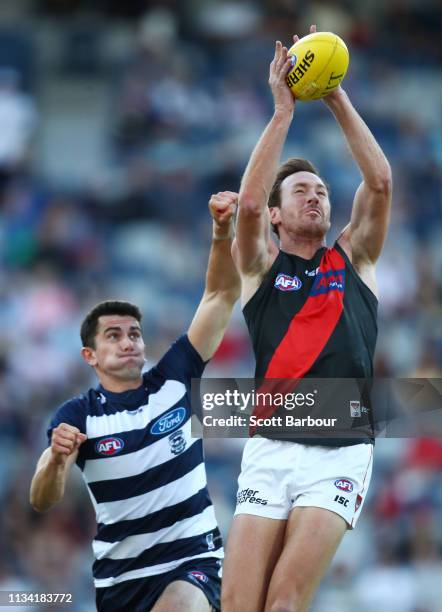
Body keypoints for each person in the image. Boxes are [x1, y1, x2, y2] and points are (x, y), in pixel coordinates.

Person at [222, 25, 392, 612]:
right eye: (300, 190)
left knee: (286, 598)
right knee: (240, 602)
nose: (316, 196)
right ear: (276, 213)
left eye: (321, 190)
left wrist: (335, 93)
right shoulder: (259, 271)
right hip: (269, 448)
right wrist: (282, 111)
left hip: (341, 450)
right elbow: (244, 205)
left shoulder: (355, 258)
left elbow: (379, 182)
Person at [30, 191, 241, 612]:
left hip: (193, 559)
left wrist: (221, 232)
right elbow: (42, 498)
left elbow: (219, 296)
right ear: (89, 356)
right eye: (114, 335)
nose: (128, 342)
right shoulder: (77, 416)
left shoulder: (175, 378)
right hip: (121, 580)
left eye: (134, 334)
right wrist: (56, 460)